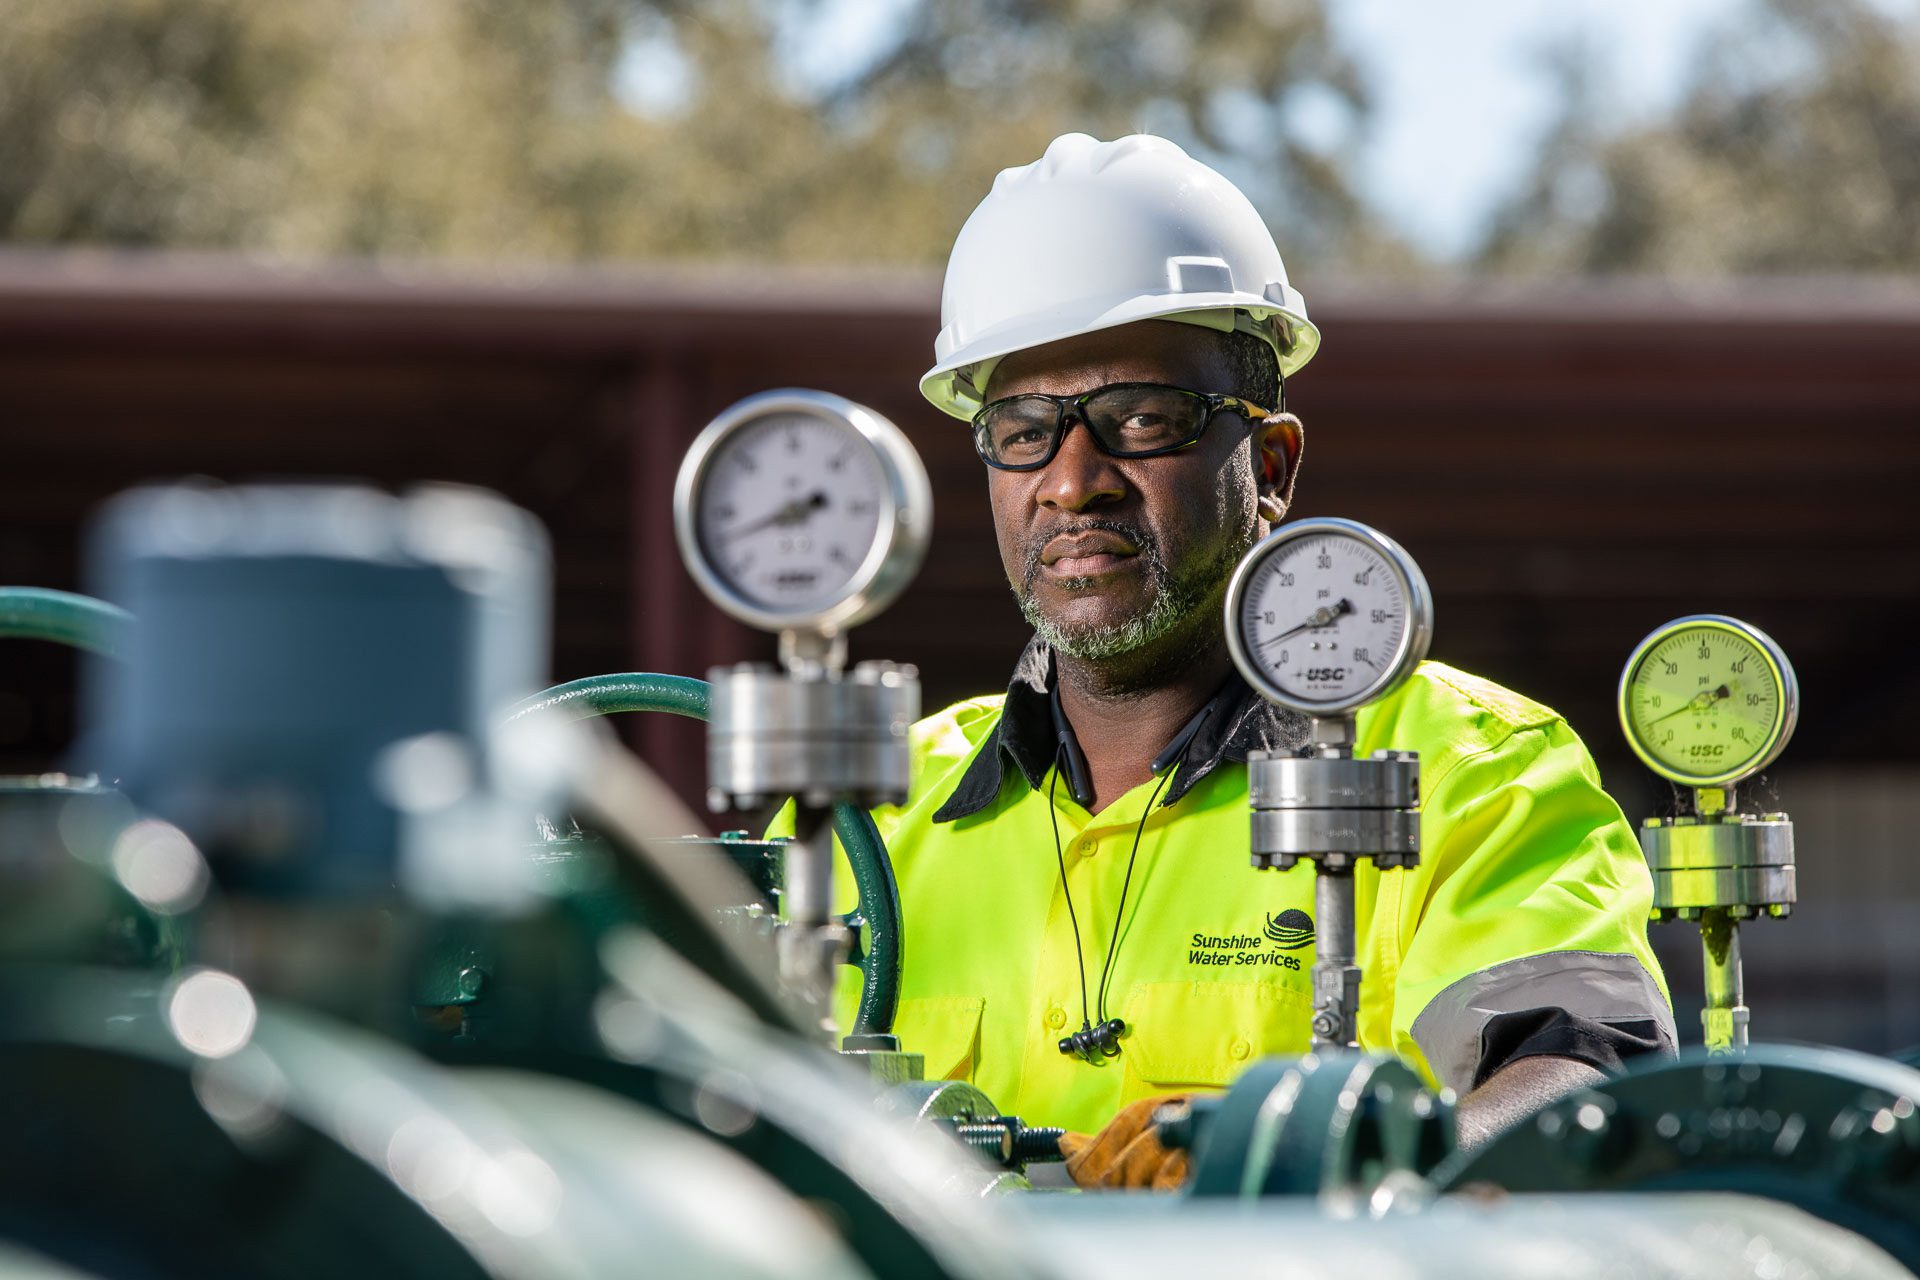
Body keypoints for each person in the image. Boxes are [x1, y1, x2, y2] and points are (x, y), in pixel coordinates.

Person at [835, 133, 1674, 1187]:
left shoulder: (1472, 768)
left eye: (1142, 417)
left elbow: (1588, 1094)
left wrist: (1316, 1145)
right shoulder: (869, 813)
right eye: (1024, 429)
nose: (1072, 480)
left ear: (1270, 465)